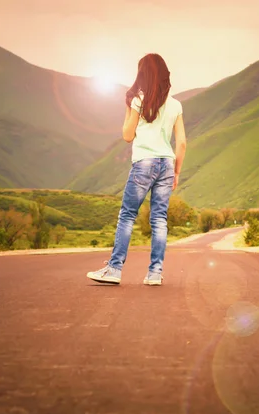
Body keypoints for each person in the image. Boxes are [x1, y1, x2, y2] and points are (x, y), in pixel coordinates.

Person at [87, 53, 187, 286]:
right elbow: (181, 142)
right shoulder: (175, 105)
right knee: (159, 219)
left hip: (144, 163)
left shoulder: (138, 101)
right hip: (167, 164)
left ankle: (114, 269)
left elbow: (127, 135)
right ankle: (155, 273)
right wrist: (178, 172)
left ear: (142, 74)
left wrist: (129, 108)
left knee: (127, 215)